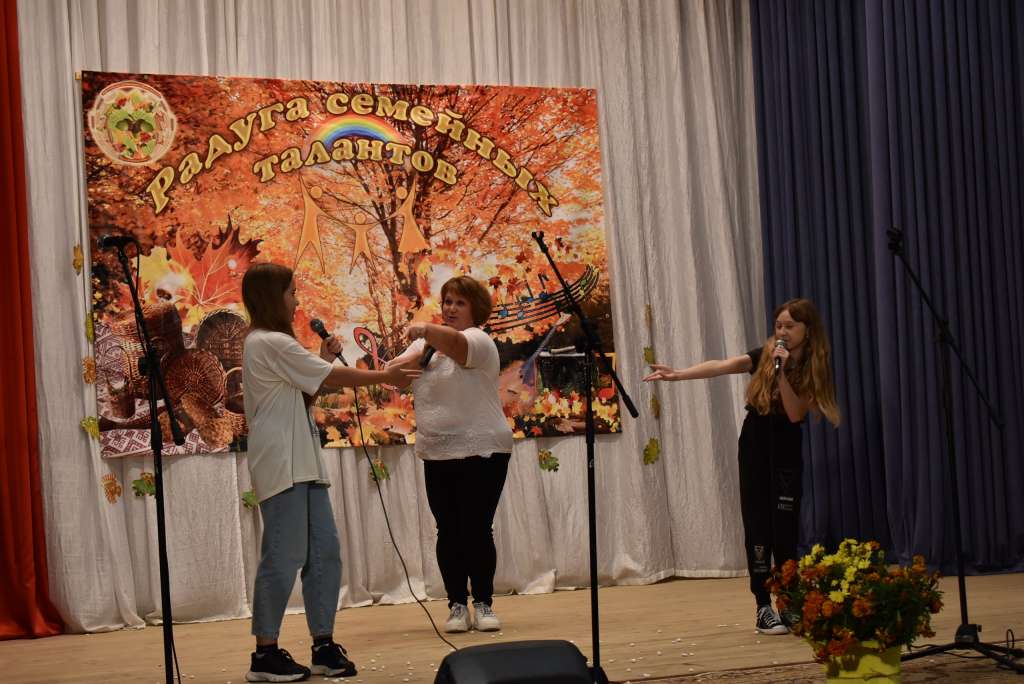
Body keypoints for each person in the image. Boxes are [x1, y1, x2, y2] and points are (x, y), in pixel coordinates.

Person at [240, 262, 420, 682]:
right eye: (291, 292)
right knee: (283, 555)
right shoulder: (267, 341)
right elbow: (334, 377)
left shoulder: (276, 345)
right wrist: (387, 375)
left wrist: (320, 361)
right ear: (272, 297)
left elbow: (305, 391)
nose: (296, 300)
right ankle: (264, 653)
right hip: (282, 463)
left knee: (324, 552)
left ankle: (323, 645)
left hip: (303, 462)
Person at [644, 298, 840, 635]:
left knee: (785, 528)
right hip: (755, 441)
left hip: (786, 444)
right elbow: (723, 365)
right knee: (758, 524)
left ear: (807, 331)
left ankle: (789, 602)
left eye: (790, 326)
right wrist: (678, 375)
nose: (782, 332)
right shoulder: (764, 355)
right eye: (778, 325)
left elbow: (795, 414)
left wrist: (782, 373)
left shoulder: (813, 365)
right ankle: (763, 606)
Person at [389, 275, 514, 633]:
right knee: (448, 530)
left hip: (482, 449)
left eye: (460, 302)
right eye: (447, 302)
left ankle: (484, 603)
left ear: (476, 309)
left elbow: (458, 345)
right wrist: (412, 359)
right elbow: (394, 377)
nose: (451, 308)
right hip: (438, 450)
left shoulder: (479, 340)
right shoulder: (426, 347)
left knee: (476, 528)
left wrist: (428, 330)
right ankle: (457, 604)